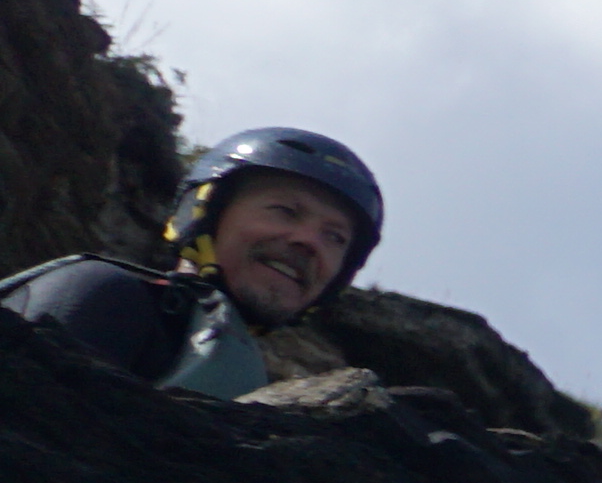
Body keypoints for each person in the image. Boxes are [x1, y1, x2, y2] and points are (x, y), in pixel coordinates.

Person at [2, 129, 383, 396]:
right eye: (285, 210)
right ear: (200, 216)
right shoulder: (101, 293)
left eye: (335, 237)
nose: (309, 242)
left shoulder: (256, 391)